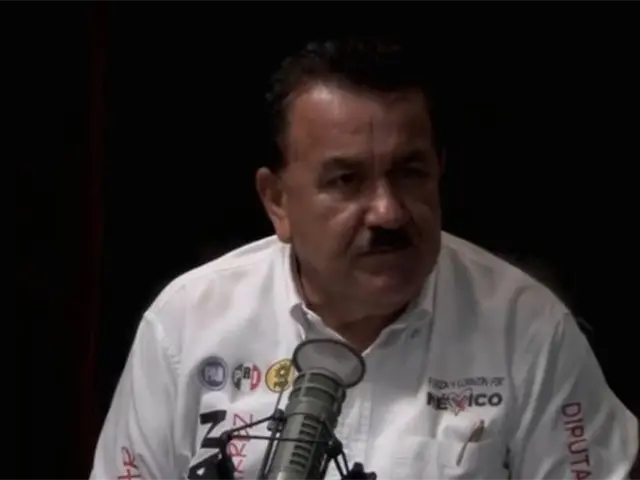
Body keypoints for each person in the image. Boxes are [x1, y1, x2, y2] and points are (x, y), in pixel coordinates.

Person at [90, 37, 638, 479]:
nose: (388, 212)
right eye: (347, 181)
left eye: (410, 173)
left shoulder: (529, 329)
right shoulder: (187, 324)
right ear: (277, 201)